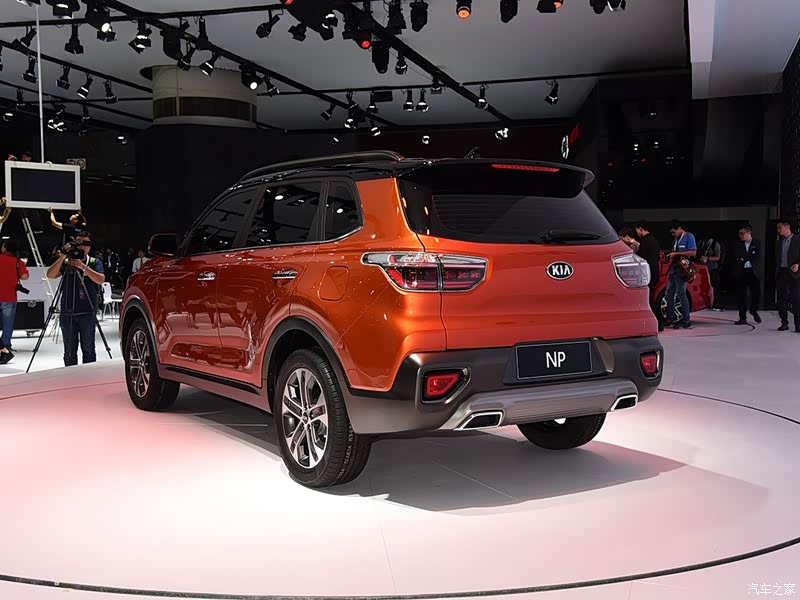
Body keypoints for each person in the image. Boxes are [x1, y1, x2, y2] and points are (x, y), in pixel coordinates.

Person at [46, 232, 105, 366]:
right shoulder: (67, 262)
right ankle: (70, 375)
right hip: (68, 312)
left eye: (86, 243)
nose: (83, 246)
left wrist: (83, 267)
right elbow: (50, 275)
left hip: (87, 311)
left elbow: (100, 280)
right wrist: (63, 256)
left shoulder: (94, 262)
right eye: (79, 243)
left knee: (89, 349)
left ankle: (89, 375)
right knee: (69, 351)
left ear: (90, 247)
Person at [0, 239, 30, 365]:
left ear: (5, 248)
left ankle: (2, 348)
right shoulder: (18, 262)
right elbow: (25, 277)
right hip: (9, 297)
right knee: (8, 324)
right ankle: (5, 346)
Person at [664, 220, 697, 329]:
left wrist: (677, 253)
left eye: (674, 232)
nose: (673, 234)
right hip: (674, 269)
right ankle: (669, 319)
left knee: (681, 293)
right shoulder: (676, 239)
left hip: (682, 270)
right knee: (669, 293)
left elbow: (693, 252)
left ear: (679, 228)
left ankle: (686, 320)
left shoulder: (689, 237)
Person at [635, 221, 664, 332]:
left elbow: (641, 257)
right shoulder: (654, 241)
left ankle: (658, 322)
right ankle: (658, 322)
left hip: (647, 273)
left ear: (640, 229)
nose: (637, 233)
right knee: (651, 298)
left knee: (648, 299)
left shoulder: (645, 241)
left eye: (637, 231)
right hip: (655, 272)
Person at [732, 225, 762, 325]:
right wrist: (747, 256)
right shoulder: (738, 244)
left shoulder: (757, 243)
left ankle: (754, 310)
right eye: (739, 234)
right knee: (741, 295)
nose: (740, 236)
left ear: (749, 232)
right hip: (741, 271)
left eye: (742, 233)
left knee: (755, 294)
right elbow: (738, 255)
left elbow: (755, 256)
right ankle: (742, 317)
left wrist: (744, 258)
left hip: (753, 271)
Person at [775, 220, 800, 333]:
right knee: (782, 299)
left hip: (794, 273)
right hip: (782, 271)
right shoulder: (779, 242)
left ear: (787, 227)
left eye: (780, 228)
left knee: (796, 298)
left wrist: (798, 265)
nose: (778, 230)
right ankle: (784, 322)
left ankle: (798, 324)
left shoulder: (797, 240)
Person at [698, 235, 723, 311]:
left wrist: (708, 258)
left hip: (712, 268)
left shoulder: (715, 244)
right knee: (703, 286)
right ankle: (705, 304)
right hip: (702, 268)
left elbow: (718, 257)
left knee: (714, 285)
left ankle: (717, 304)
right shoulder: (701, 242)